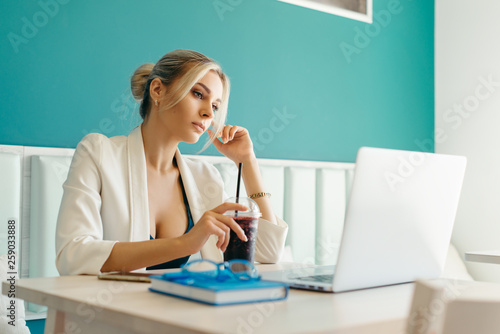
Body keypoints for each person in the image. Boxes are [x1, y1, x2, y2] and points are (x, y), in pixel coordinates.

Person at [55, 49, 288, 275]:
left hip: (181, 313)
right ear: (157, 90)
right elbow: (72, 255)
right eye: (198, 94)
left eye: (215, 106)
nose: (209, 113)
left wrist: (247, 162)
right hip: (113, 312)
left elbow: (268, 253)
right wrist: (186, 243)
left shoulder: (204, 177)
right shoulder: (99, 153)